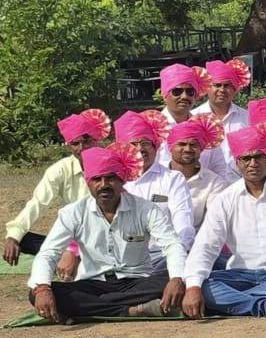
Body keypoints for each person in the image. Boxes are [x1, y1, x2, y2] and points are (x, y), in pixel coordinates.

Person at [27, 146, 188, 322]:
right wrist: (42, 288)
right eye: (97, 179)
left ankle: (92, 308)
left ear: (122, 180)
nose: (104, 185)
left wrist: (176, 279)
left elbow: (172, 244)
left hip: (137, 282)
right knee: (37, 292)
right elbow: (49, 252)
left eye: (111, 178)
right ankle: (131, 310)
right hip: (93, 282)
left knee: (175, 279)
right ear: (88, 182)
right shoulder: (73, 212)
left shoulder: (146, 209)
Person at [182, 125, 266, 318]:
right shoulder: (225, 198)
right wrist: (193, 288)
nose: (252, 163)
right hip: (239, 275)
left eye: (258, 157)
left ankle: (240, 303)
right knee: (200, 285)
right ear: (237, 163)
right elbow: (205, 245)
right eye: (246, 158)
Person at [5, 110, 108, 268]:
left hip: (108, 237)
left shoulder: (111, 165)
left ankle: (76, 258)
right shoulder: (60, 169)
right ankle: (72, 257)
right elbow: (38, 203)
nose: (82, 148)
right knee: (22, 238)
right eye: (75, 143)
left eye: (86, 140)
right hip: (76, 237)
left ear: (96, 139)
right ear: (68, 146)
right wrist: (13, 236)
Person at [113, 111, 195, 263]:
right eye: (133, 144)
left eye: (145, 143)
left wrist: (177, 256)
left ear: (156, 147)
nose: (140, 149)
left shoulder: (172, 179)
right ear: (122, 149)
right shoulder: (112, 181)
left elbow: (183, 224)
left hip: (162, 256)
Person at [166, 116, 229, 230]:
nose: (187, 149)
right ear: (171, 147)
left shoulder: (214, 183)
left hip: (196, 240)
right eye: (181, 144)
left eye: (193, 145)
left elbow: (214, 222)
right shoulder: (156, 178)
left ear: (201, 148)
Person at [193, 58, 251, 133]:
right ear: (207, 88)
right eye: (217, 85)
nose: (222, 90)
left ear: (234, 89)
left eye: (227, 85)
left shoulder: (246, 118)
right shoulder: (194, 117)